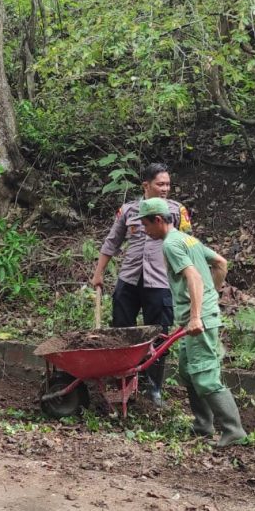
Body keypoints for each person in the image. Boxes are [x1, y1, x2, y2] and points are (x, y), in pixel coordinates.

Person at [137, 197, 246, 446]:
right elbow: (220, 263)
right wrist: (209, 297)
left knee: (204, 374)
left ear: (157, 220)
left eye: (145, 225)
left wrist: (198, 314)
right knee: (188, 370)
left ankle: (233, 430)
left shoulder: (171, 245)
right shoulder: (189, 240)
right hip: (194, 317)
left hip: (199, 320)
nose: (145, 230)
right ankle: (203, 426)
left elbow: (194, 277)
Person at [91, 163, 192, 407]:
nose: (165, 188)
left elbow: (189, 244)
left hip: (160, 283)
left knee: (159, 335)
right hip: (129, 280)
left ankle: (152, 389)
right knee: (121, 332)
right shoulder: (128, 210)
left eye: (168, 184)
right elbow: (111, 243)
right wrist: (98, 274)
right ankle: (122, 384)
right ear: (145, 185)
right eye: (160, 184)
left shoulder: (177, 211)